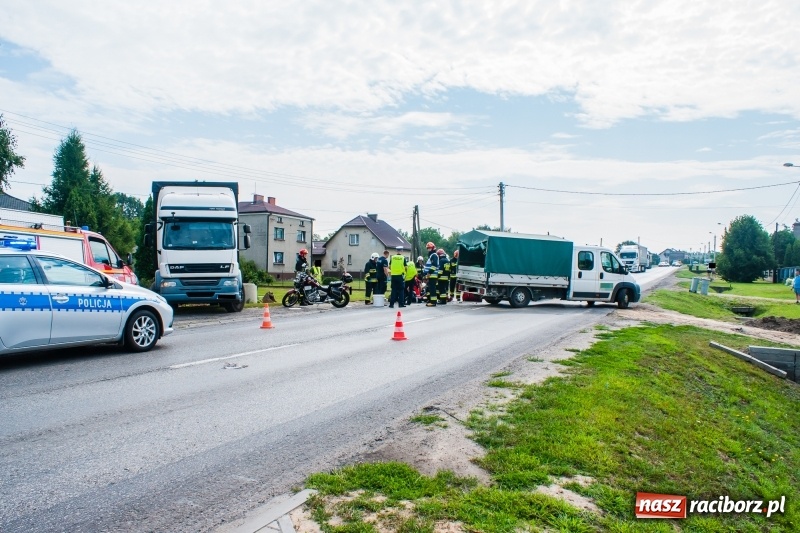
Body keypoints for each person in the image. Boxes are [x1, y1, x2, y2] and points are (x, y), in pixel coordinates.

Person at [424, 242, 439, 307]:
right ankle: (431, 300)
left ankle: (433, 302)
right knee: (430, 288)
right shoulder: (432, 255)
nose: (428, 249)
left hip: (432, 275)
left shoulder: (434, 255)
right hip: (431, 275)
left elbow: (434, 265)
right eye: (428, 248)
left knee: (432, 289)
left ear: (433, 248)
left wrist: (429, 273)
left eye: (429, 248)